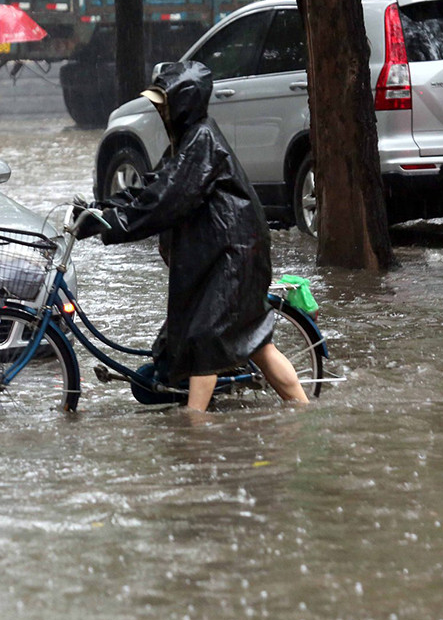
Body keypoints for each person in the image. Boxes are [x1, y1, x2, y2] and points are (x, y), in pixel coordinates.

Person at [79, 61, 309, 410]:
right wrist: (102, 209)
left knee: (207, 341)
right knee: (252, 344)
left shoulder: (202, 141)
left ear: (182, 103)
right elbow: (153, 184)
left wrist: (113, 223)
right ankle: (300, 409)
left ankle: (196, 424)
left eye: (164, 104)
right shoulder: (188, 141)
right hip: (219, 255)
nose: (160, 112)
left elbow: (166, 200)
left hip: (232, 256)